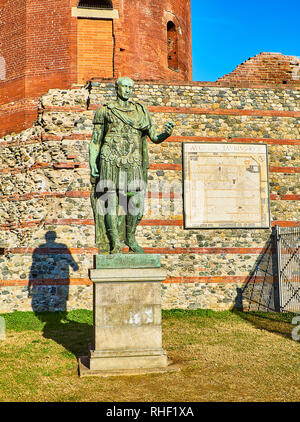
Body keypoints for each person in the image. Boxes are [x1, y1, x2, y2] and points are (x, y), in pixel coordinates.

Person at [89, 76, 174, 254]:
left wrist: (166, 134)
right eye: (124, 87)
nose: (127, 90)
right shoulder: (105, 110)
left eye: (130, 87)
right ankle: (115, 244)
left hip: (133, 159)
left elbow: (155, 138)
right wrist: (92, 161)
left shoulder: (141, 111)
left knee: (136, 202)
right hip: (109, 158)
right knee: (110, 201)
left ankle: (130, 238)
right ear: (117, 88)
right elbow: (96, 140)